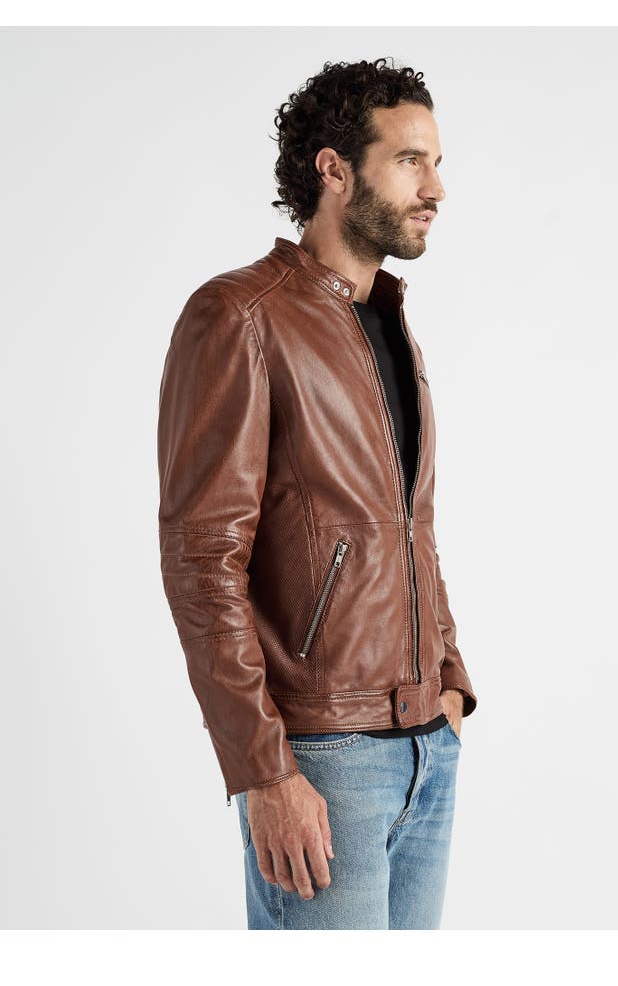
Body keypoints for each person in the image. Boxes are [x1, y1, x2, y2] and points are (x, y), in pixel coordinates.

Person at [156, 56, 478, 930]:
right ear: (334, 170)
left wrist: (449, 680)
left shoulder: (390, 323)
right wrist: (263, 769)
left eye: (437, 162)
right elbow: (201, 561)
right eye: (410, 161)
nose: (436, 188)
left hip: (427, 747)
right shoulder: (241, 316)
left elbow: (409, 529)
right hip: (326, 757)